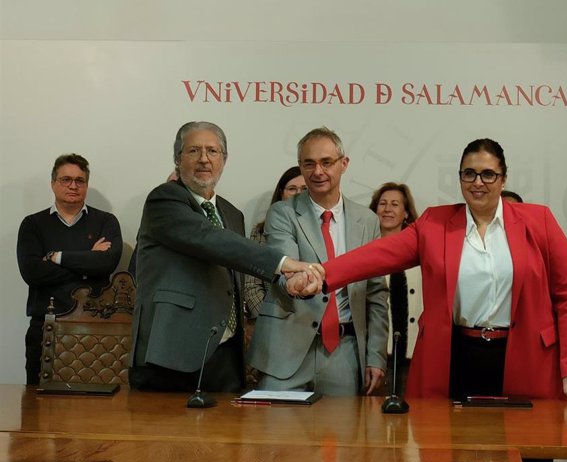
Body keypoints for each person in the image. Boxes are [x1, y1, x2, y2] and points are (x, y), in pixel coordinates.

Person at [322, 138, 567, 462]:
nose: (477, 182)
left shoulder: (537, 220)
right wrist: (323, 274)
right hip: (457, 356)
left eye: (487, 174)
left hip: (524, 356)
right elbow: (378, 255)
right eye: (469, 173)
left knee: (528, 460)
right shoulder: (436, 223)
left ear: (503, 178)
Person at [129, 121, 321, 392]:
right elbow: (210, 240)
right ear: (177, 158)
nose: (204, 159)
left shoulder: (232, 214)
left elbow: (237, 267)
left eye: (213, 151)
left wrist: (289, 283)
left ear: (224, 160)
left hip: (225, 353)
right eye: (194, 150)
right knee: (167, 433)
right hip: (172, 352)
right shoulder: (164, 201)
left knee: (226, 433)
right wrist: (284, 264)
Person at [248, 127, 389, 396]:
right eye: (309, 163)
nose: (318, 171)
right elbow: (284, 263)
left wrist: (376, 356)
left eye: (327, 162)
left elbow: (376, 294)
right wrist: (296, 281)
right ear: (300, 166)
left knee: (344, 434)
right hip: (285, 349)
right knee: (275, 437)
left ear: (343, 164)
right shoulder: (282, 213)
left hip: (344, 352)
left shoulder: (367, 221)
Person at [17, 153, 123, 385]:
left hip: (95, 328)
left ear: (86, 184)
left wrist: (56, 258)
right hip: (45, 326)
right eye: (66, 179)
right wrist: (88, 261)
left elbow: (107, 263)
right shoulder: (32, 224)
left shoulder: (106, 221)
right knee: (38, 410)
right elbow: (32, 273)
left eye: (80, 180)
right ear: (53, 183)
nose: (73, 186)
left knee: (93, 414)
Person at [368, 182, 421, 395]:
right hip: (376, 356)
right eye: (382, 204)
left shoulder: (420, 250)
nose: (387, 209)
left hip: (414, 354)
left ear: (406, 213)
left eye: (395, 204)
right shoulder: (364, 250)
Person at [244, 166, 307, 318]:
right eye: (292, 188)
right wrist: (268, 319)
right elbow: (252, 285)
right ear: (281, 193)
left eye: (304, 189)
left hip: (312, 322)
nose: (298, 193)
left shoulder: (324, 229)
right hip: (274, 319)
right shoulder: (260, 232)